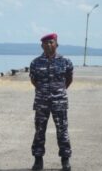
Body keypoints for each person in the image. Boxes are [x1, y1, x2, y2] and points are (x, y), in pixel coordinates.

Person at [29, 33, 73, 171]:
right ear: (41, 45)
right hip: (42, 102)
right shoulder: (35, 63)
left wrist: (58, 91)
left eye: (51, 42)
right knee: (39, 131)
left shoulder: (65, 61)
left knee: (62, 131)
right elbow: (34, 80)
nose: (48, 45)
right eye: (46, 43)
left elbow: (69, 79)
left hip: (59, 101)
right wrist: (44, 91)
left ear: (56, 44)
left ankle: (65, 161)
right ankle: (38, 160)